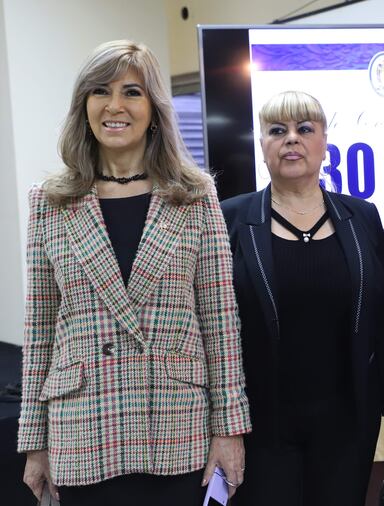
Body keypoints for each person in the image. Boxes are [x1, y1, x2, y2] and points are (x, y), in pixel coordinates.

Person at [17, 40, 251, 505]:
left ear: (154, 109)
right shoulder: (50, 202)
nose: (115, 106)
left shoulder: (195, 197)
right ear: (84, 105)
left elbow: (221, 324)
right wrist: (34, 441)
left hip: (175, 425)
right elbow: (40, 329)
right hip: (83, 429)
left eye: (132, 92)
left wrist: (229, 430)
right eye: (101, 91)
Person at [220, 90, 384, 506]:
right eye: (277, 131)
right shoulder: (229, 219)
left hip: (347, 421)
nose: (292, 139)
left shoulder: (362, 216)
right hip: (261, 422)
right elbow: (214, 326)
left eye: (305, 129)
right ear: (263, 146)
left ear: (324, 144)